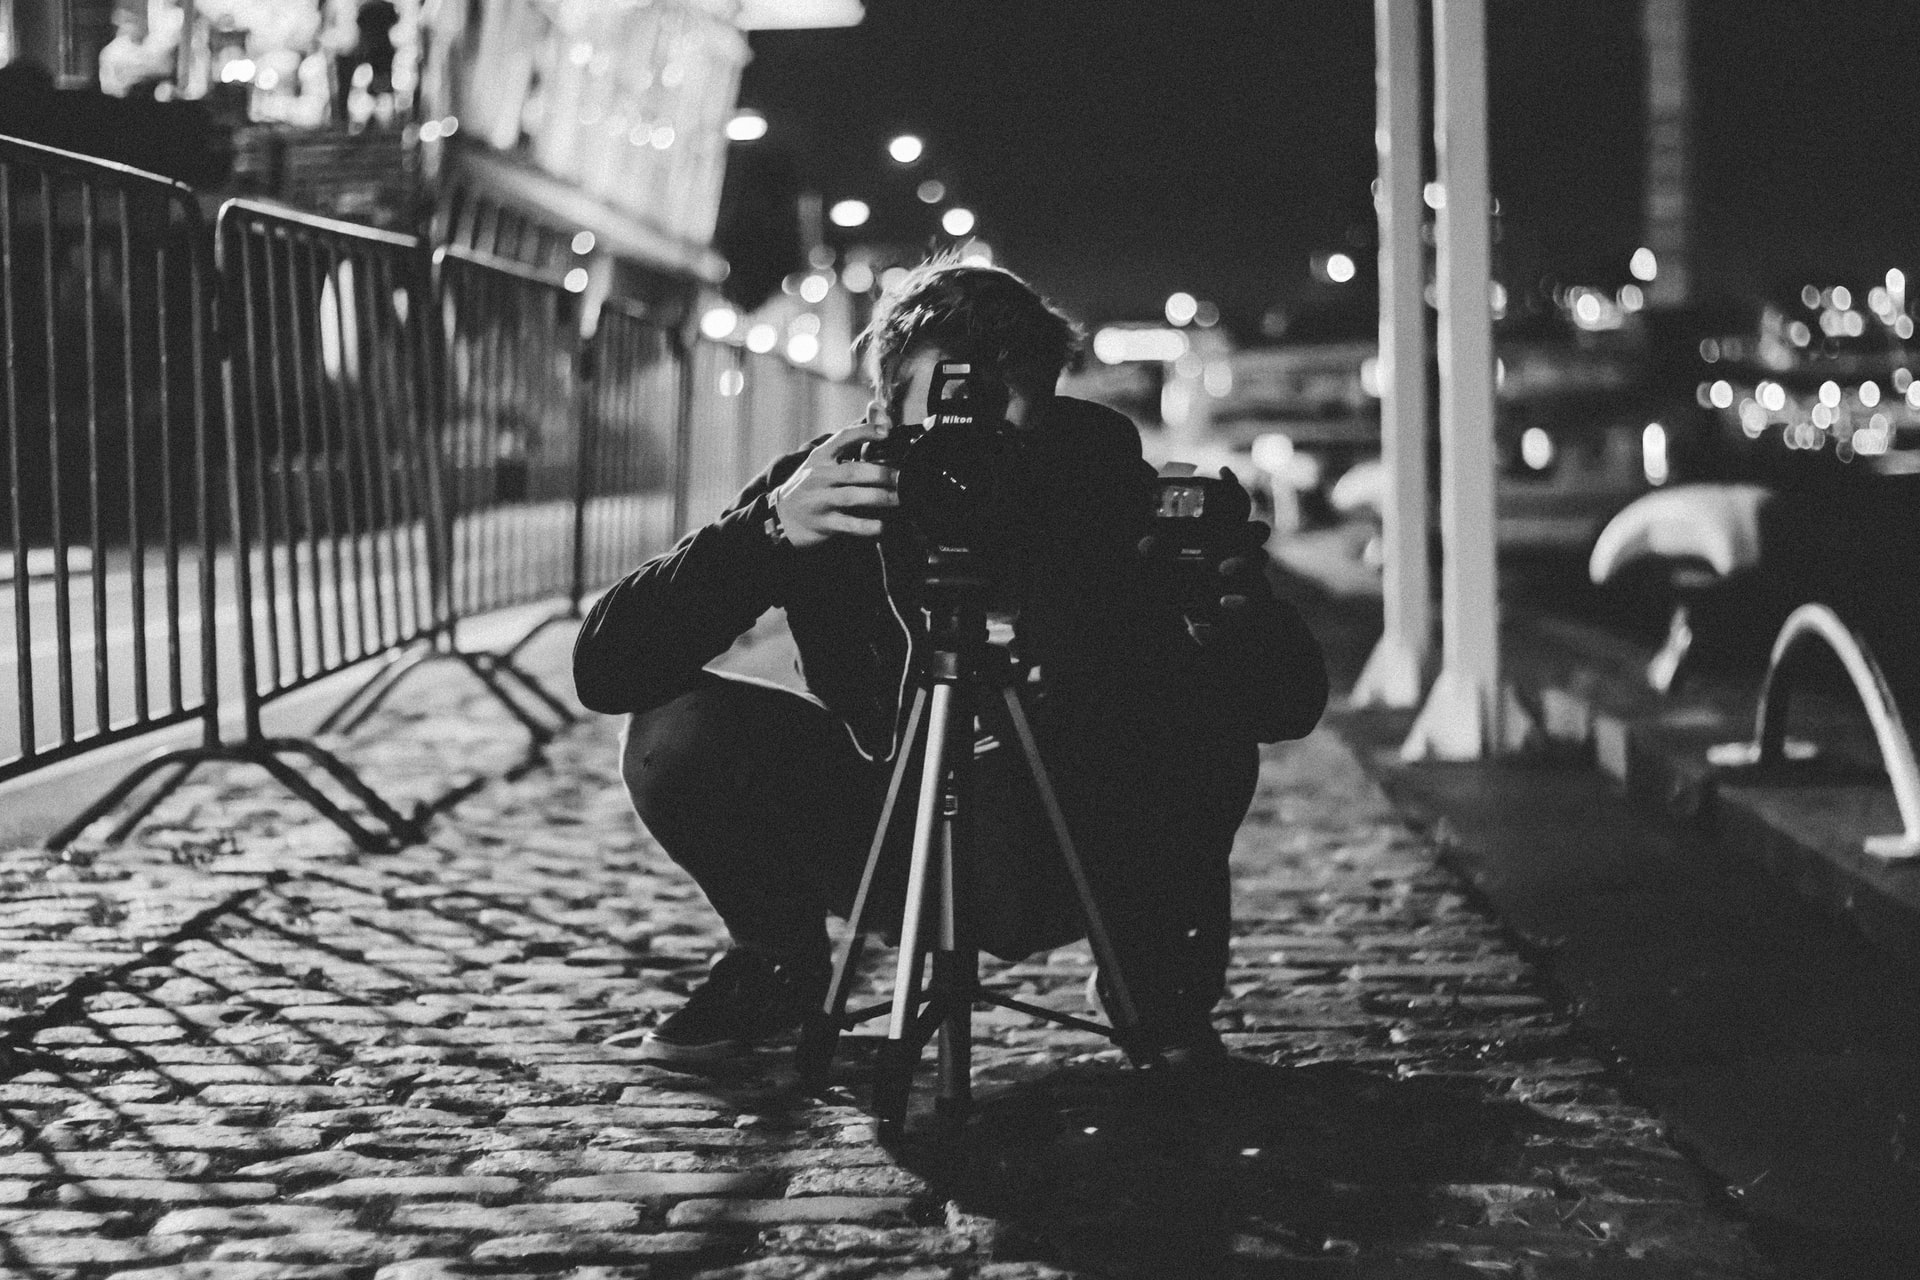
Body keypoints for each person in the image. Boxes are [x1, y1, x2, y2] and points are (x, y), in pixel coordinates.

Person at [573, 258, 1326, 1068]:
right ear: (881, 411)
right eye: (942, 429)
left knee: (1193, 711)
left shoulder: (1100, 488)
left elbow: (1280, 708)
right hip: (891, 832)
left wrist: (1225, 608)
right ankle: (778, 963)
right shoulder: (835, 486)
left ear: (1053, 408)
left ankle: (1158, 985)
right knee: (676, 732)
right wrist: (766, 535)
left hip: (1073, 834)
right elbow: (606, 670)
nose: (972, 464)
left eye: (1007, 435)